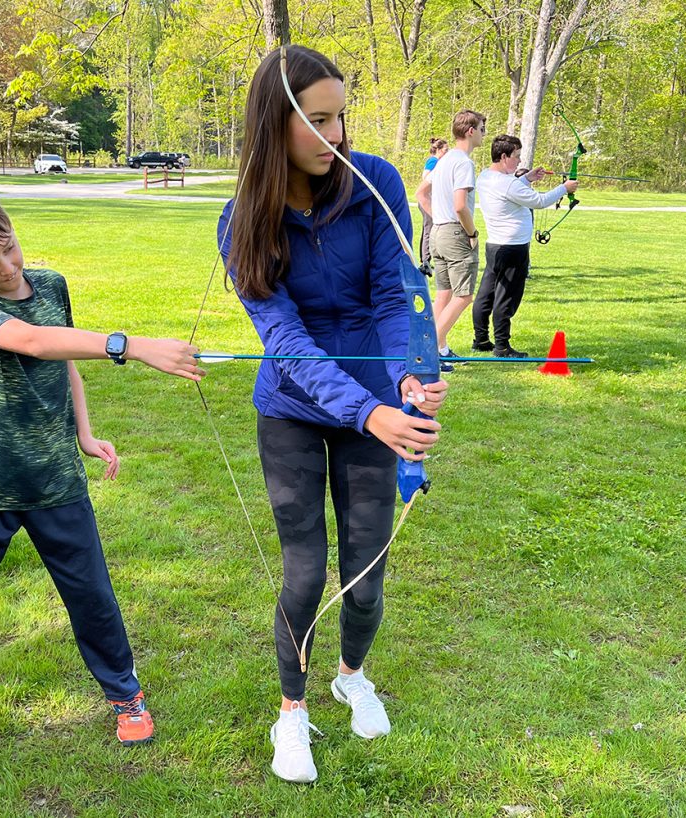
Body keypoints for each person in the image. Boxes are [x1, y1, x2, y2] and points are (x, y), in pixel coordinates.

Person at [0, 180, 204, 793]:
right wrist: (132, 345)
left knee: (91, 593)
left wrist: (85, 435)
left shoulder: (52, 285)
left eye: (9, 248)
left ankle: (126, 695)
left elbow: (62, 357)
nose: (7, 268)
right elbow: (29, 340)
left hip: (56, 479)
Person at [217, 45, 449, 784]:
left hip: (378, 407)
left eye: (340, 116)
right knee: (305, 572)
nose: (337, 135)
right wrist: (368, 411)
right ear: (272, 127)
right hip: (291, 409)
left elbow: (394, 295)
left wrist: (413, 375)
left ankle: (351, 674)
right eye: (317, 121)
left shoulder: (372, 182)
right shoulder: (241, 221)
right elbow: (285, 341)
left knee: (367, 571)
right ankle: (292, 713)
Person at [472, 135, 578, 357]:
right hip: (513, 248)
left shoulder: (485, 176)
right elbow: (538, 201)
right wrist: (564, 188)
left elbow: (509, 191)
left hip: (495, 246)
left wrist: (527, 178)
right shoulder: (508, 183)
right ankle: (502, 346)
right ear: (504, 156)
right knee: (506, 296)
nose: (519, 162)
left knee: (487, 293)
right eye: (516, 157)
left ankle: (481, 339)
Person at [415, 109, 486, 371]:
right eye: (481, 129)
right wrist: (471, 233)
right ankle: (429, 351)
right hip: (456, 233)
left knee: (443, 294)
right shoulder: (463, 163)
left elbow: (421, 194)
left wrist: (438, 218)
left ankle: (437, 348)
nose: (483, 134)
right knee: (464, 296)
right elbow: (460, 206)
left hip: (437, 233)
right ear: (470, 131)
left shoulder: (443, 160)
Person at [416, 138, 448, 273]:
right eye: (446, 150)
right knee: (429, 230)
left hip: (430, 200)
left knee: (427, 229)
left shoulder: (438, 162)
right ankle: (425, 262)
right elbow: (426, 176)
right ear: (439, 150)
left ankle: (424, 259)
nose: (447, 153)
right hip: (427, 200)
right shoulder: (433, 161)